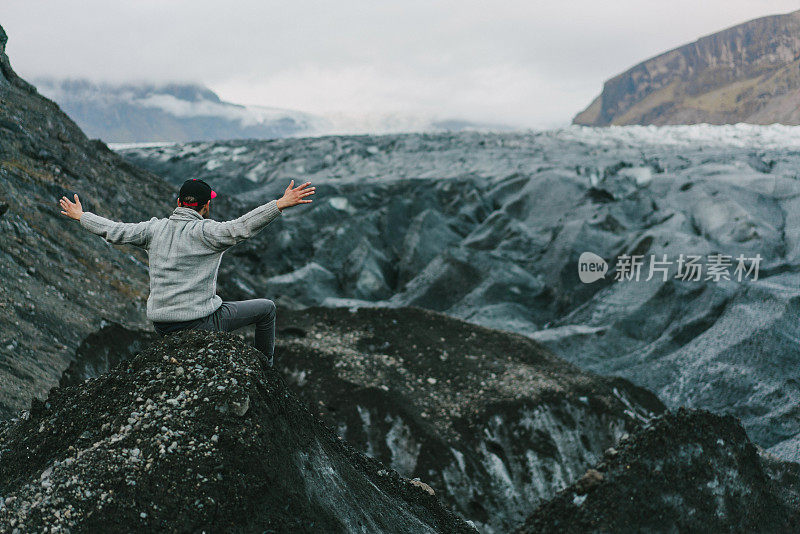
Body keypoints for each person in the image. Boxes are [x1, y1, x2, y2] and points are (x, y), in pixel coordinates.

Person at [59, 178, 315, 369]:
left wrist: (82, 216)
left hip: (162, 324)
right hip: (198, 323)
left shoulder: (154, 230)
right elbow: (243, 227)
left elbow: (115, 230)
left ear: (179, 203)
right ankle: (265, 369)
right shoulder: (207, 233)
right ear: (206, 206)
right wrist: (279, 204)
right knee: (267, 308)